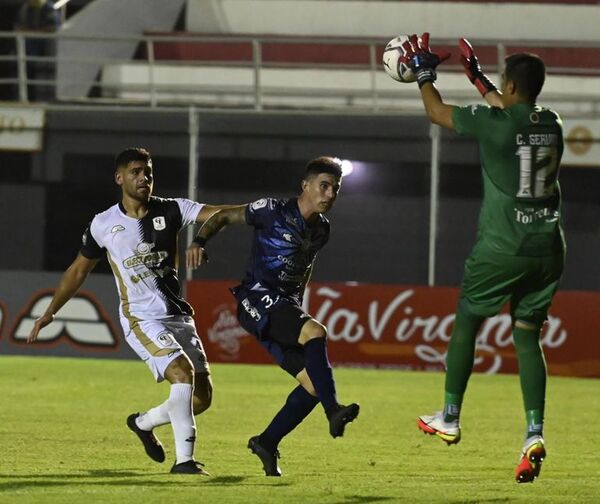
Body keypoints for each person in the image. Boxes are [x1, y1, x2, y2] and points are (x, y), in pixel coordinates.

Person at [402, 34, 565, 483]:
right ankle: (534, 432)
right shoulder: (552, 121)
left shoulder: (496, 124)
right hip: (548, 248)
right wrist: (477, 78)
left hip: (503, 246)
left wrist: (423, 73)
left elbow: (436, 112)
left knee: (468, 323)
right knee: (528, 336)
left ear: (511, 86)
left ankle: (450, 417)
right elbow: (509, 111)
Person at [28, 147, 232, 475]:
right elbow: (78, 271)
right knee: (181, 374)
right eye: (136, 172)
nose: (144, 178)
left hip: (177, 315)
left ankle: (143, 423)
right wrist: (51, 310)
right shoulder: (104, 224)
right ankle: (185, 462)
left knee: (200, 399)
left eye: (148, 172)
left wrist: (260, 212)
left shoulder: (173, 208)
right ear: (119, 178)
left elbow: (219, 213)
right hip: (140, 317)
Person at [187, 156, 360, 476]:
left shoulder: (321, 229)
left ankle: (266, 441)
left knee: (311, 383)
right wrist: (199, 240)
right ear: (305, 186)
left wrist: (298, 303)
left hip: (283, 305)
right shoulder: (273, 210)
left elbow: (306, 265)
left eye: (335, 189)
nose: (329, 194)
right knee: (316, 332)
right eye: (323, 186)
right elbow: (224, 216)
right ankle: (333, 408)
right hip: (255, 298)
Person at [13, 0, 61, 101]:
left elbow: (52, 29)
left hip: (46, 50)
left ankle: (43, 99)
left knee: (43, 77)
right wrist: (34, 32)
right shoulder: (25, 8)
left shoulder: (48, 8)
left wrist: (30, 32)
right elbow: (18, 28)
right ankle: (24, 98)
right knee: (24, 74)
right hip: (28, 51)